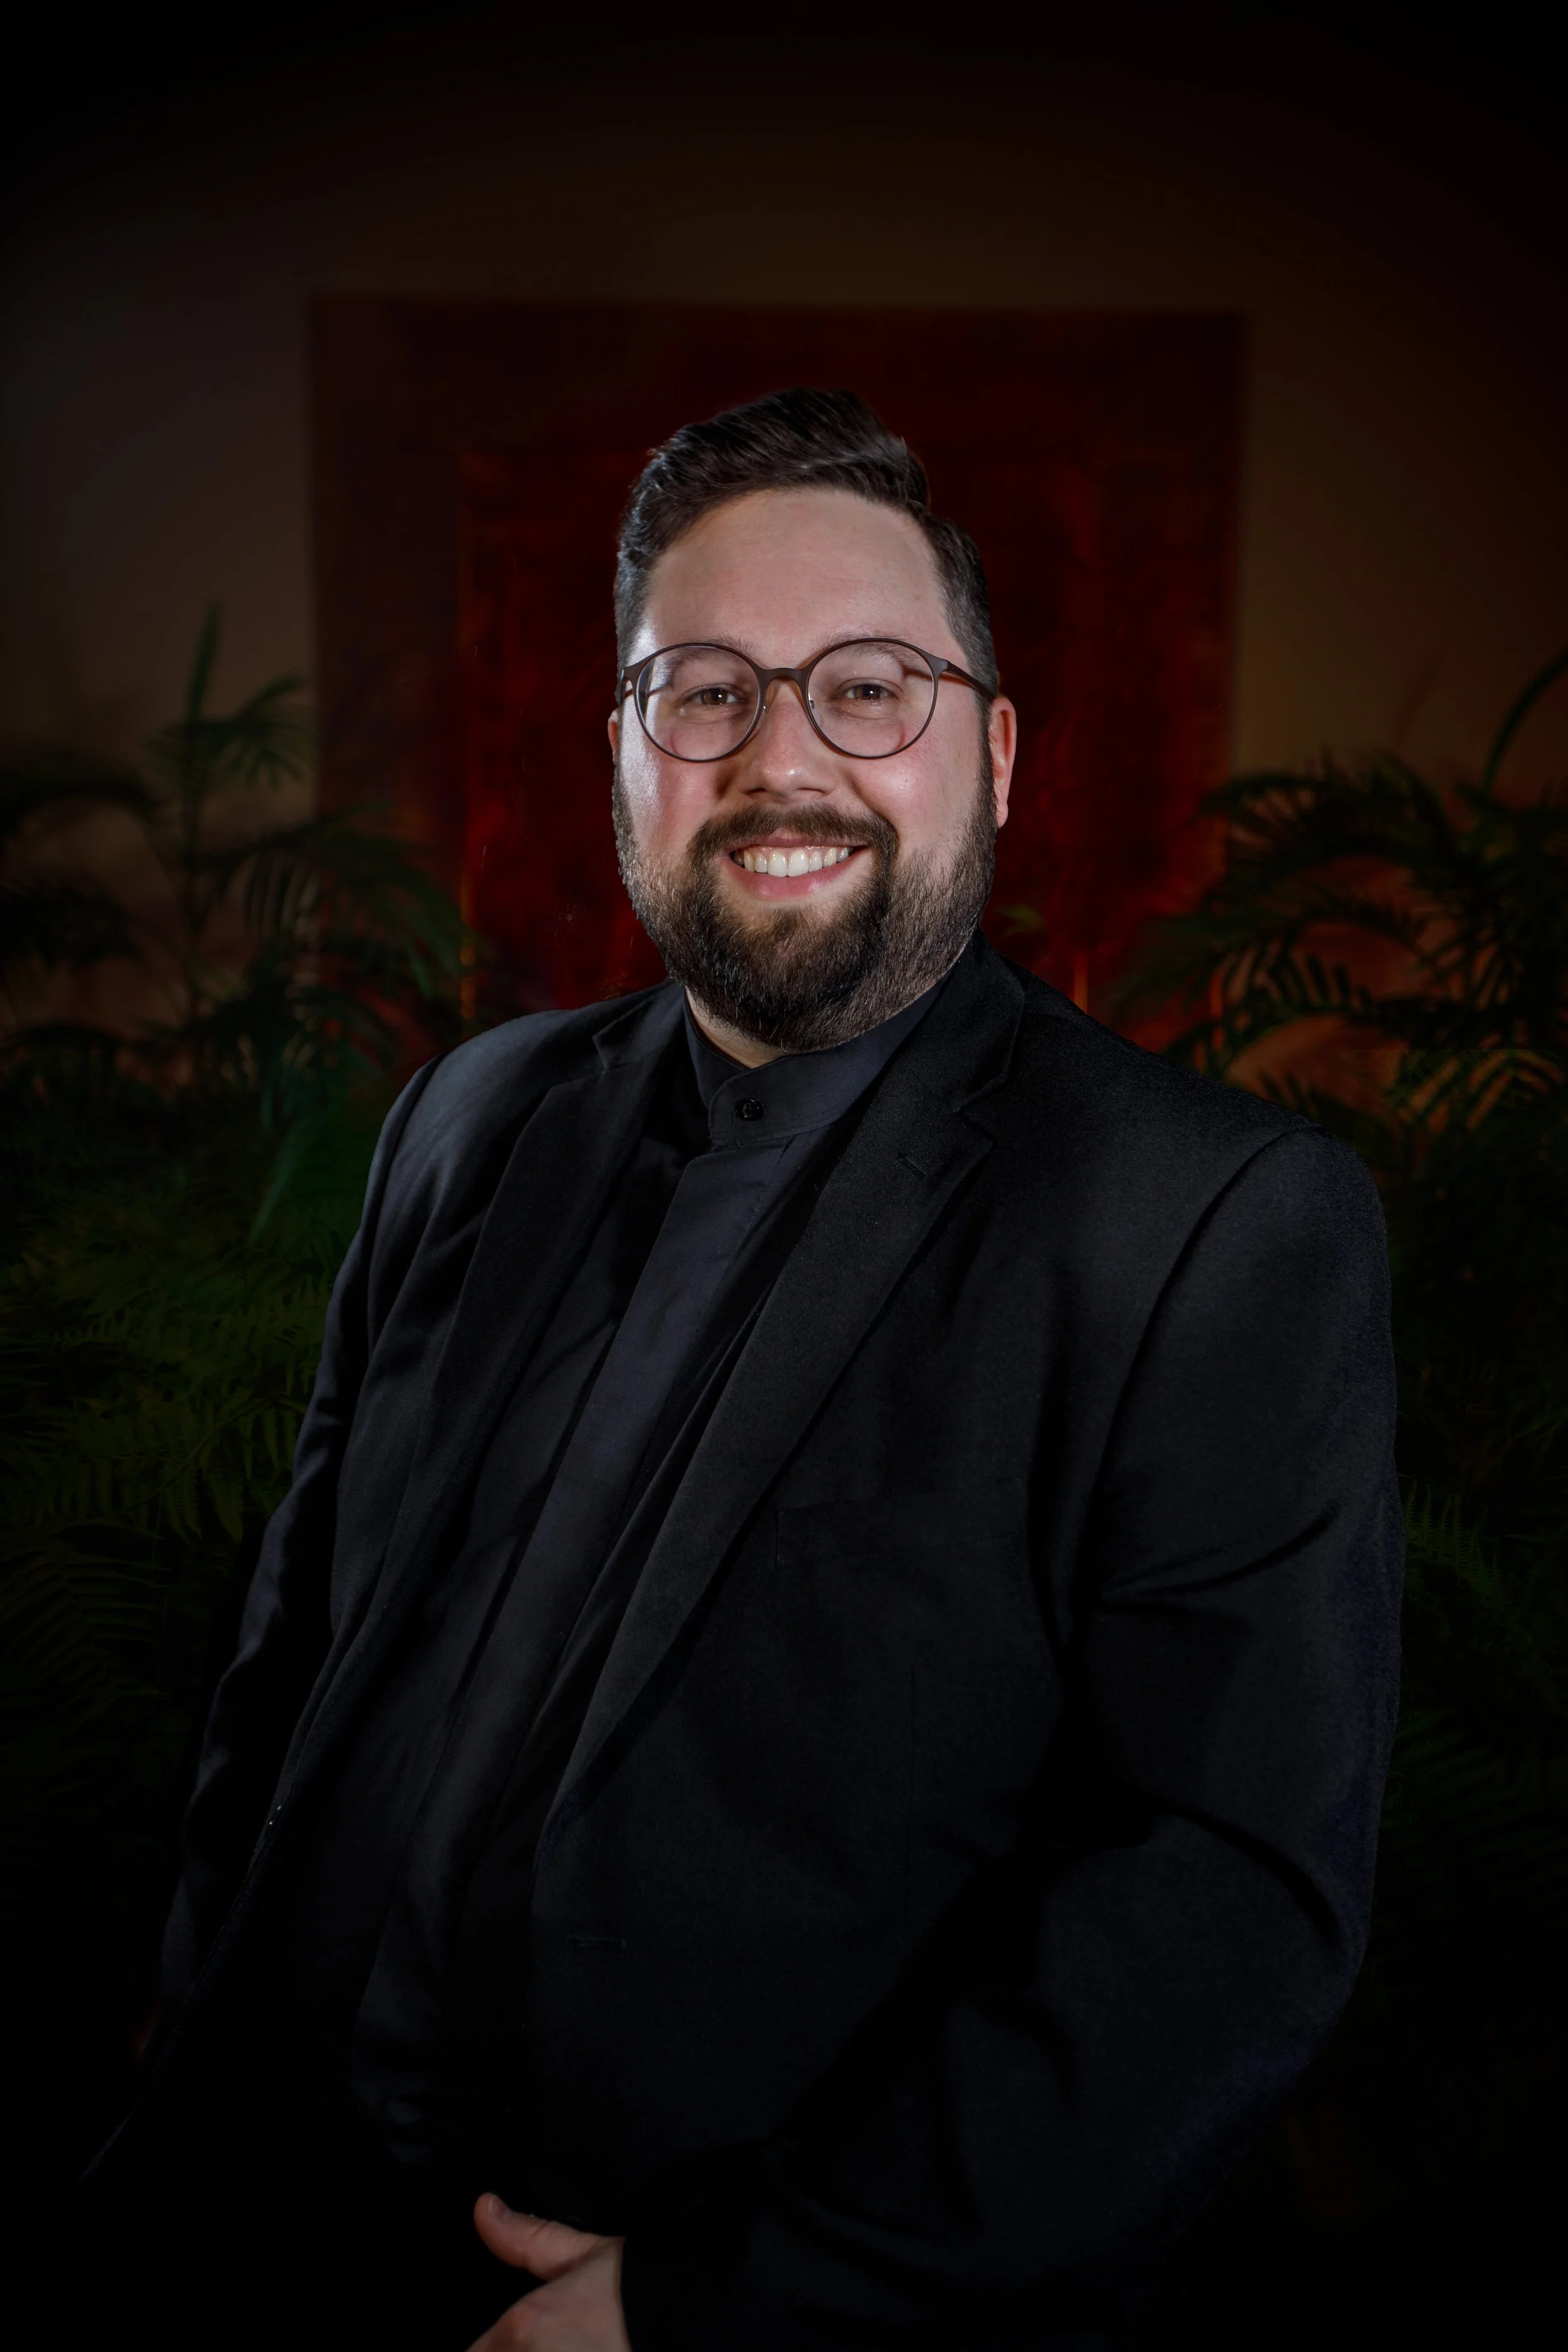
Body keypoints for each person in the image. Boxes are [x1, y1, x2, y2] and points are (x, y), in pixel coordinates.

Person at [79, 389, 1401, 2351]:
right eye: (703, 692)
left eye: (866, 687)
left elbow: (1219, 1903)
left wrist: (705, 2299)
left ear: (993, 752)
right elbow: (292, 1650)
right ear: (623, 755)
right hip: (251, 2239)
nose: (782, 759)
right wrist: (194, 2013)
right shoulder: (466, 1116)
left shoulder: (1206, 1220)